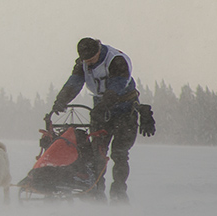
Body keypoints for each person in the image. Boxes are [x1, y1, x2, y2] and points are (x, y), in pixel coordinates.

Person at [50, 37, 152, 203]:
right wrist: (61, 100)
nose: (88, 64)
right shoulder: (83, 63)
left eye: (91, 60)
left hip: (124, 110)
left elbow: (117, 86)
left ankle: (118, 192)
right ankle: (96, 192)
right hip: (100, 111)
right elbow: (74, 82)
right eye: (86, 61)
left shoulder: (116, 60)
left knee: (119, 153)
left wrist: (105, 105)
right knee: (97, 154)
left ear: (98, 51)